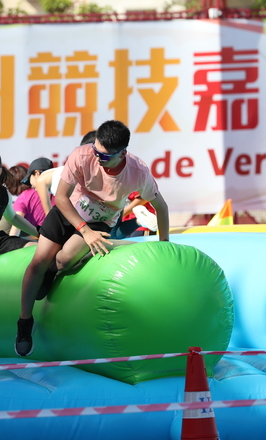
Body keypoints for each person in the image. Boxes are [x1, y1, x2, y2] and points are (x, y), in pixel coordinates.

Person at [15, 120, 170, 357]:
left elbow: (161, 207)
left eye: (105, 156)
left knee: (64, 260)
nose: (97, 157)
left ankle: (51, 271)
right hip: (68, 210)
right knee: (38, 262)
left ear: (122, 153)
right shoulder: (81, 155)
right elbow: (62, 198)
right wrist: (83, 230)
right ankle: (25, 322)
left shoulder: (138, 172)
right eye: (95, 150)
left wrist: (165, 246)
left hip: (101, 221)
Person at [36, 131, 97, 215]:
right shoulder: (76, 167)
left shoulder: (40, 180)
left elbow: (48, 213)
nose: (32, 188)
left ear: (36, 173)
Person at [9, 157, 55, 238]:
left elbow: (15, 228)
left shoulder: (23, 198)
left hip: (47, 236)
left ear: (36, 174)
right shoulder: (57, 191)